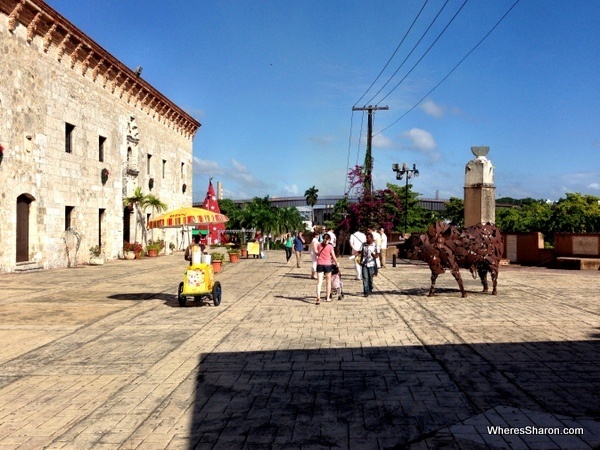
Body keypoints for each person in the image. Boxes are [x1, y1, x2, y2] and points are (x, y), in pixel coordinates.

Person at [315, 233, 338, 304]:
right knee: (328, 282)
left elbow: (317, 253)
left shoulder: (319, 245)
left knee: (319, 282)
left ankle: (318, 297)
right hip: (328, 264)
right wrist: (337, 263)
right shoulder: (330, 247)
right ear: (329, 239)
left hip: (319, 264)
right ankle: (327, 297)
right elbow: (333, 256)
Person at [360, 232, 379, 297]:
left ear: (371, 238)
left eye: (368, 238)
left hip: (371, 264)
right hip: (364, 264)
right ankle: (366, 291)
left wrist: (374, 256)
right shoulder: (364, 245)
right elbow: (362, 253)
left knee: (370, 278)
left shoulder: (375, 245)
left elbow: (377, 255)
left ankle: (370, 287)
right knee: (365, 278)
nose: (367, 239)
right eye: (366, 238)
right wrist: (360, 261)